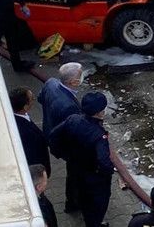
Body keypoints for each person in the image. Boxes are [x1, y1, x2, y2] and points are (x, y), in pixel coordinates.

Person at [49, 92, 114, 227]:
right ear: (100, 113)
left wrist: (62, 154)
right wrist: (107, 172)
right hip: (93, 176)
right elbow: (103, 161)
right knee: (97, 204)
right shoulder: (99, 135)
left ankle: (72, 205)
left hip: (74, 165)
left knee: (74, 188)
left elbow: (54, 135)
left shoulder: (73, 119)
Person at [38, 61, 83, 212]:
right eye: (80, 76)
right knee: (74, 172)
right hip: (65, 145)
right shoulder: (69, 107)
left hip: (49, 131)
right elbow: (72, 132)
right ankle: (73, 203)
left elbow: (40, 98)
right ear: (73, 82)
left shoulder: (51, 83)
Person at [10, 86, 51, 176]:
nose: (34, 99)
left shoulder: (19, 117)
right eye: (32, 99)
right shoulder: (26, 132)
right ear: (25, 107)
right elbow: (33, 157)